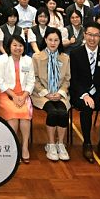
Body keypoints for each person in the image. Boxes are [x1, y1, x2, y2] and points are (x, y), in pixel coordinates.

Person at [68, 22, 100, 165]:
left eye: (96, 35)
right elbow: (73, 79)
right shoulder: (75, 54)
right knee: (86, 108)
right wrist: (84, 95)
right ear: (84, 35)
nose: (92, 38)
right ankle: (87, 143)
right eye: (89, 35)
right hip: (81, 93)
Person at [31, 27, 72, 162]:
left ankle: (60, 144)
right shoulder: (37, 57)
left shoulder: (65, 58)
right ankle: (50, 144)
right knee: (53, 113)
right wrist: (46, 93)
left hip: (60, 94)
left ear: (60, 41)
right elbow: (34, 79)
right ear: (45, 40)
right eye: (50, 40)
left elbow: (67, 79)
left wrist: (60, 93)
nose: (53, 43)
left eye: (56, 40)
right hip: (42, 95)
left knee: (63, 113)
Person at [0, 35, 35, 163]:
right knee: (13, 114)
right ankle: (14, 146)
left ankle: (24, 146)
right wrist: (13, 96)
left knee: (24, 115)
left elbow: (31, 81)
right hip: (6, 94)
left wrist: (23, 96)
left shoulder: (28, 60)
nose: (18, 48)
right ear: (9, 46)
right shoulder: (3, 59)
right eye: (15, 45)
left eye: (20, 45)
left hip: (23, 95)